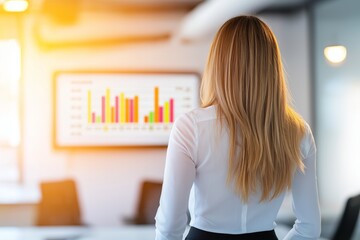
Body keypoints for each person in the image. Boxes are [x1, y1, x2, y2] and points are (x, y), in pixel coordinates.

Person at [155, 15, 321, 240]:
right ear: (271, 66)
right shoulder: (298, 131)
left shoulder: (191, 127)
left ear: (218, 65)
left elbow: (169, 226)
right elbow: (310, 227)